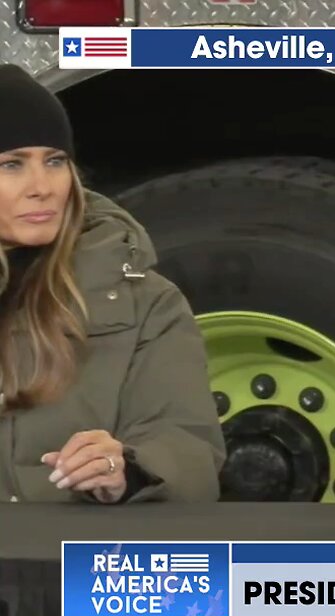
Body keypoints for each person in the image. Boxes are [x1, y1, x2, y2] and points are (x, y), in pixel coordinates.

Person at [0, 64, 224, 504]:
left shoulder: (146, 302)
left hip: (71, 563)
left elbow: (189, 449)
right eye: (12, 165)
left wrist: (130, 470)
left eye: (55, 161)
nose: (42, 187)